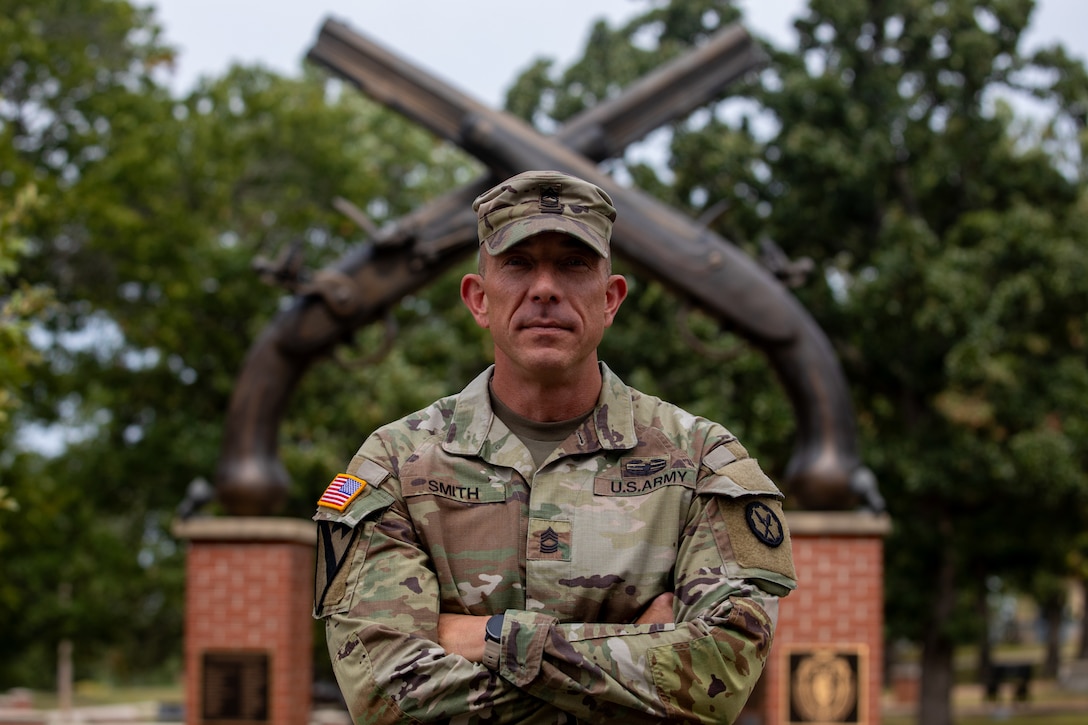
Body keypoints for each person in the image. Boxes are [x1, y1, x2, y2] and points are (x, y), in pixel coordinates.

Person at [313, 170, 797, 724]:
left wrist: (486, 638)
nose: (545, 288)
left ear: (611, 299)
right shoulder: (394, 465)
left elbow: (715, 678)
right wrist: (635, 643)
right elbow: (387, 693)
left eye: (573, 264)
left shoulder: (701, 462)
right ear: (479, 299)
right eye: (518, 264)